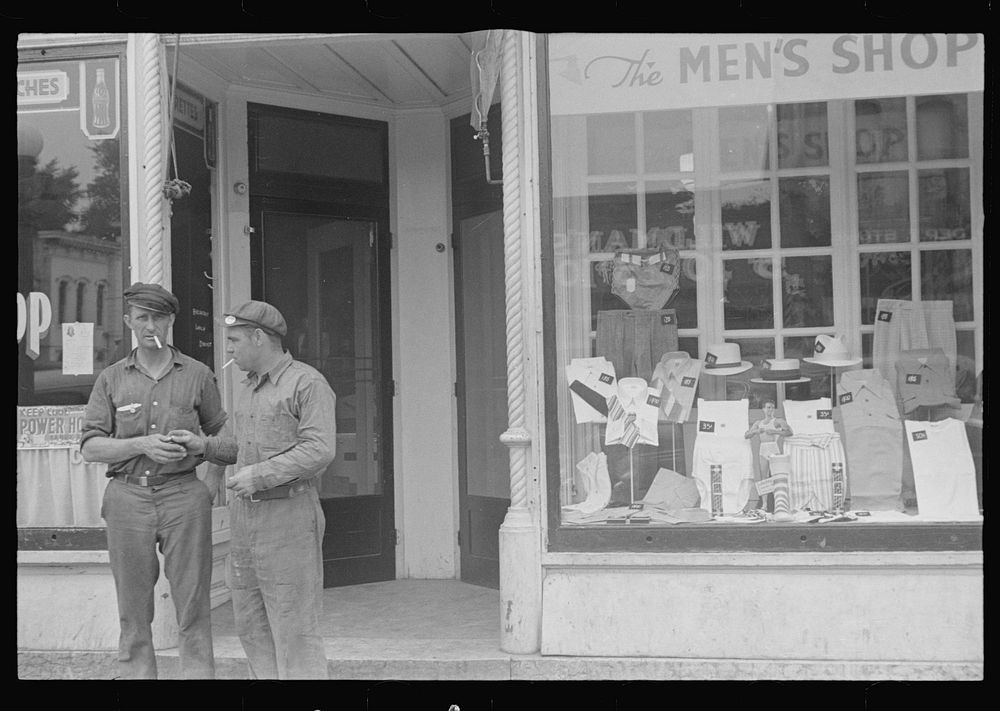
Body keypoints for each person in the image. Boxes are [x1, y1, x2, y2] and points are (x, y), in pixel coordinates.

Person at [80, 282, 235, 679]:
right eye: (143, 317)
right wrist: (142, 444)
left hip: (184, 496)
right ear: (129, 321)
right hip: (127, 498)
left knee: (193, 605)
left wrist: (210, 482)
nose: (151, 325)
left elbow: (226, 441)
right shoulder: (111, 379)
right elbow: (92, 448)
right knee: (132, 610)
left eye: (159, 317)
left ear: (171, 322)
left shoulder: (198, 375)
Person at [221, 300, 336, 679]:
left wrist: (260, 475)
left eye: (235, 339)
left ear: (258, 337)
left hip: (288, 515)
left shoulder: (307, 382)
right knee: (251, 626)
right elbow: (239, 445)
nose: (230, 348)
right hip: (244, 520)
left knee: (295, 629)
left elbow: (319, 449)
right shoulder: (248, 388)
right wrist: (200, 445)